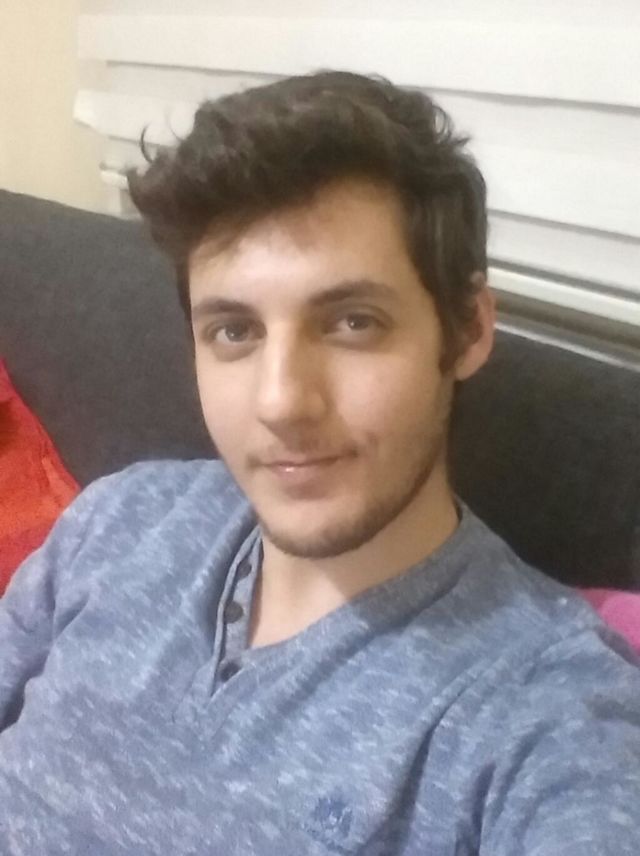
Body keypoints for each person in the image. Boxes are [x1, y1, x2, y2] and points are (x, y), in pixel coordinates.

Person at [0, 70, 638, 855]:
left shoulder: (543, 708)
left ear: (468, 330)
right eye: (234, 331)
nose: (281, 403)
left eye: (351, 322)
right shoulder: (119, 520)